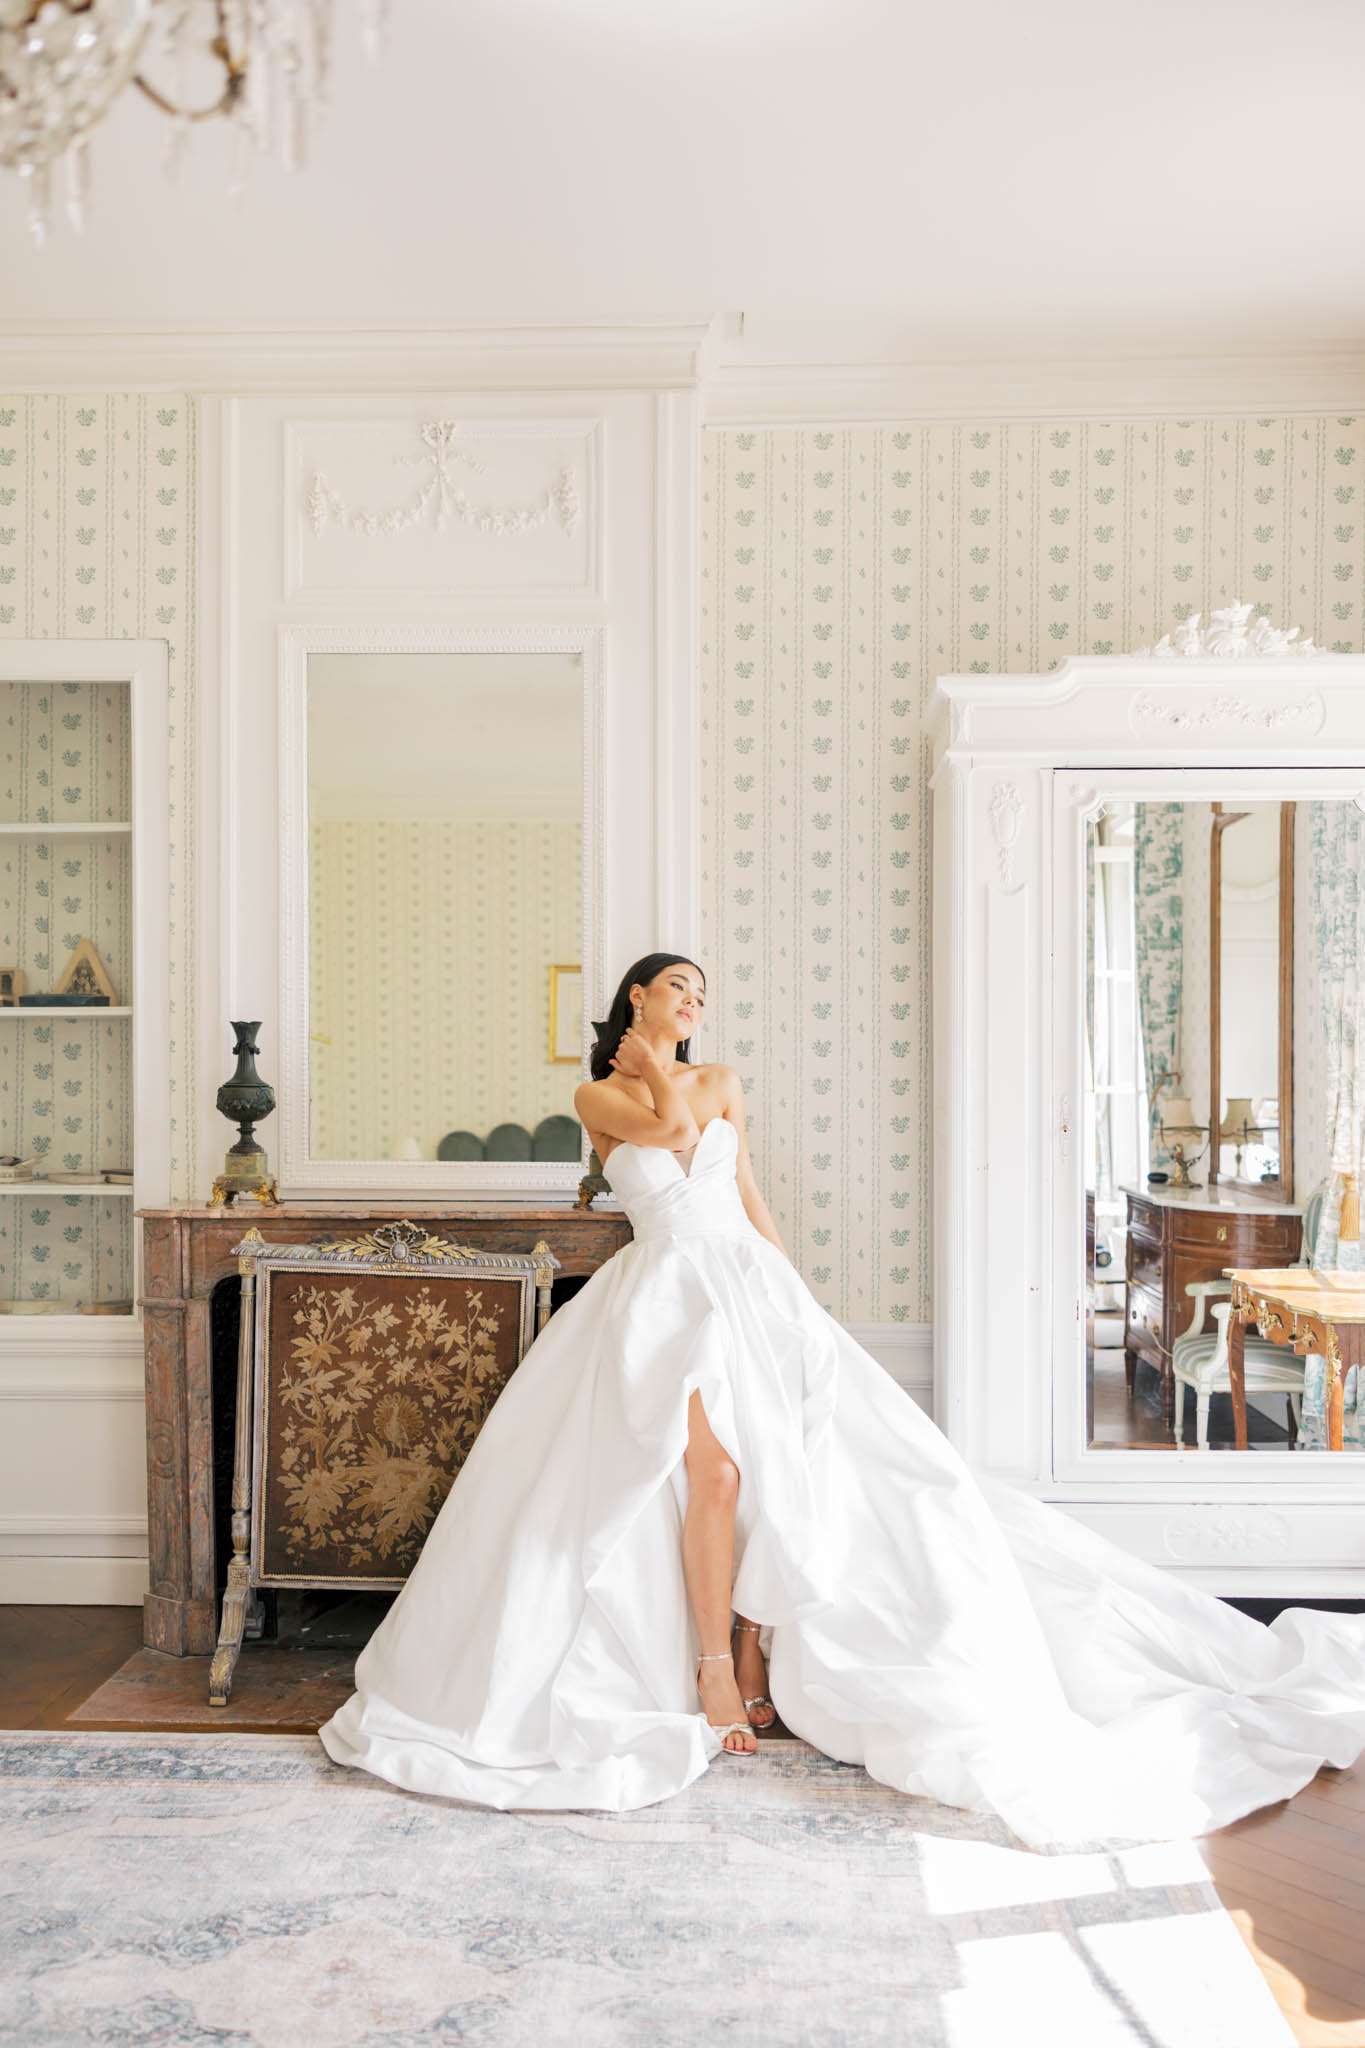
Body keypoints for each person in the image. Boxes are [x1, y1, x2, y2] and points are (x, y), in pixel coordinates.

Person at [320, 953, 1365, 1848]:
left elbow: (739, 1187)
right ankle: (710, 1671)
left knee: (789, 1476)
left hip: (749, 1289)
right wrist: (650, 1074)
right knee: (711, 1473)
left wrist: (799, 1297)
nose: (694, 1003)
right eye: (677, 988)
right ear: (636, 996)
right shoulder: (598, 1096)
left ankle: (748, 1653)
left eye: (702, 995)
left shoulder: (718, 1078)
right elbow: (663, 1141)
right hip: (662, 1297)